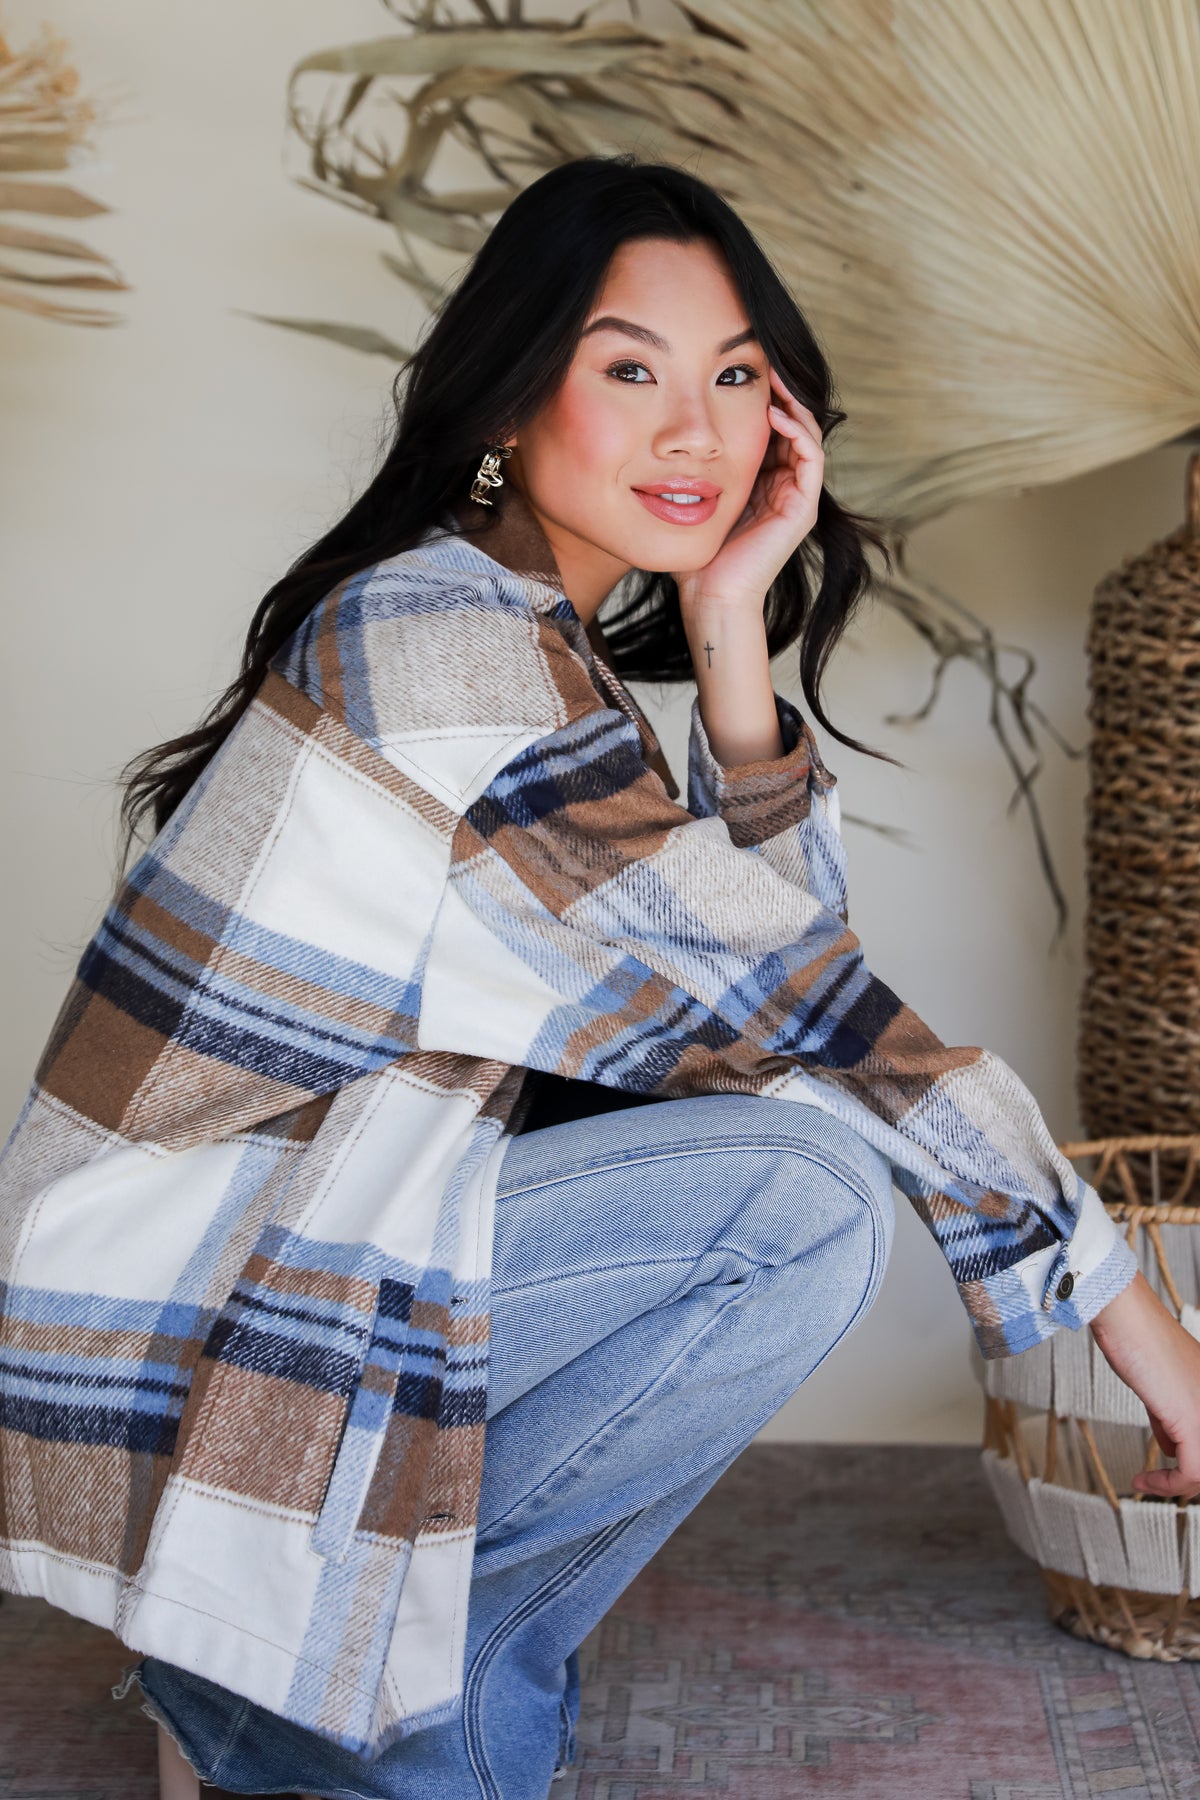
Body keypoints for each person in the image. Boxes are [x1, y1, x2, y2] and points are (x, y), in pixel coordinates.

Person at [4, 154, 1200, 1800]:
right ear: (510, 396)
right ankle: (288, 1701)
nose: (695, 431)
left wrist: (730, 624)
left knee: (796, 1157)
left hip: (304, 1230)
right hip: (181, 1309)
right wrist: (1131, 1311)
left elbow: (765, 990)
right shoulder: (447, 648)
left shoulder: (516, 634)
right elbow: (805, 1015)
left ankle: (331, 1687)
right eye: (631, 370)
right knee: (800, 1197)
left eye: (736, 379)